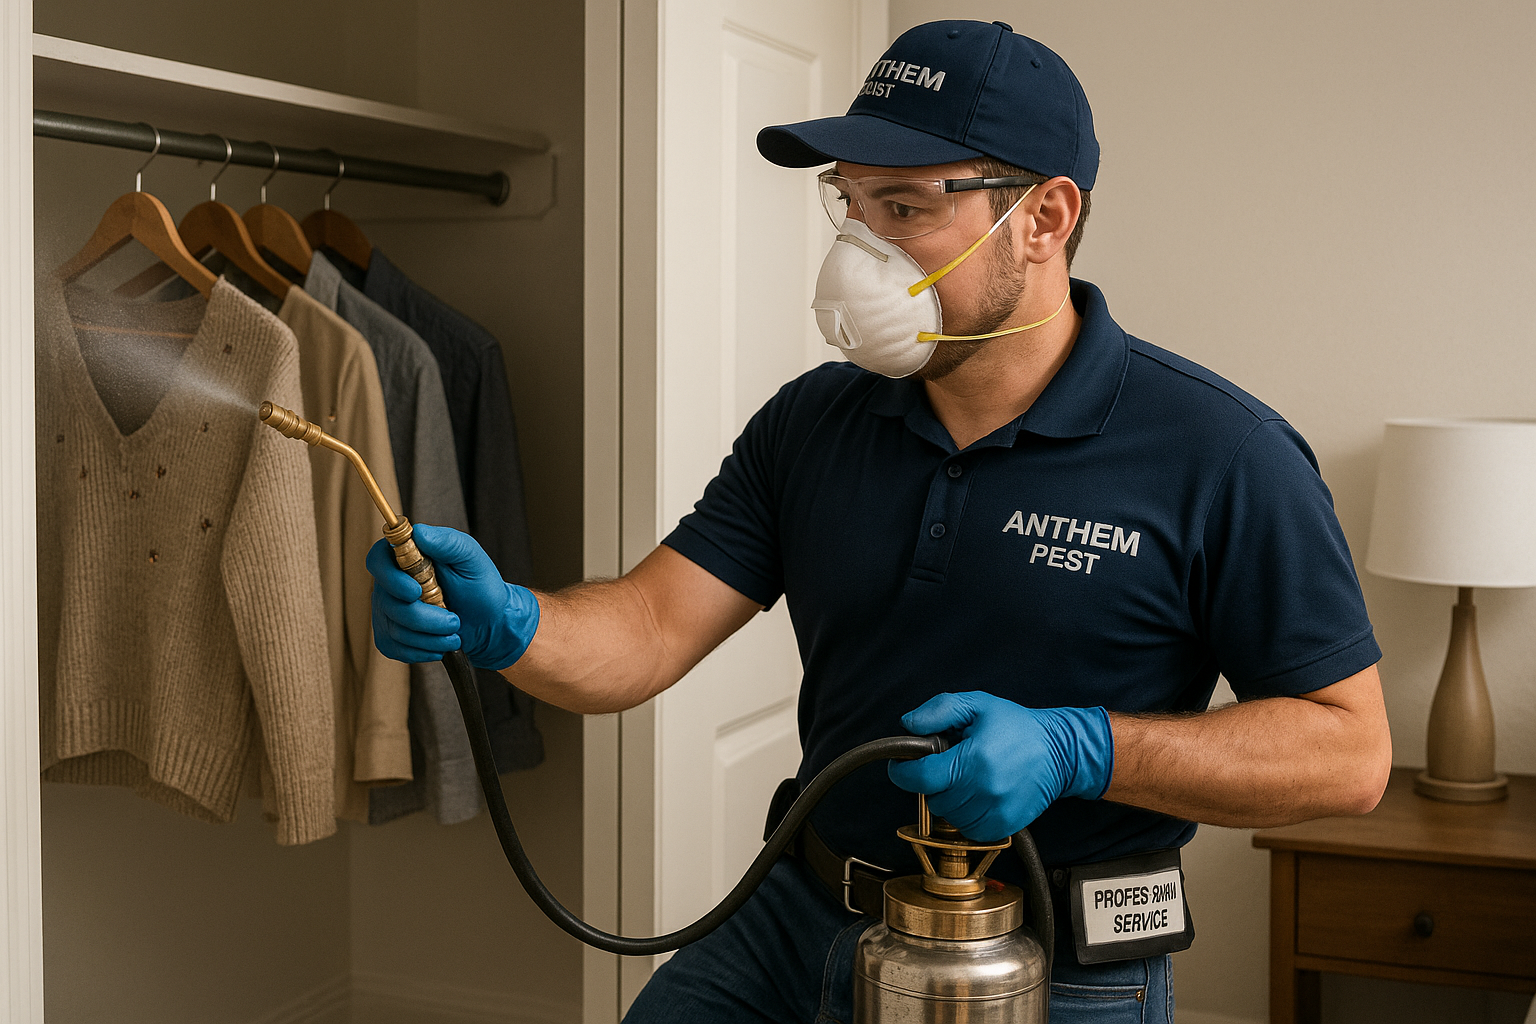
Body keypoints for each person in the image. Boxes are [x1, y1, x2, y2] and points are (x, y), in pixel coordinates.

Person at [367, 19, 1392, 1024]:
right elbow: (647, 627)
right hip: (793, 920)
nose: (860, 248)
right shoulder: (814, 422)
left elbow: (1349, 755)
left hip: (1058, 963)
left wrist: (1083, 749)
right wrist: (512, 623)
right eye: (850, 204)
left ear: (1043, 218)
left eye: (903, 207)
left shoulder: (1222, 453)